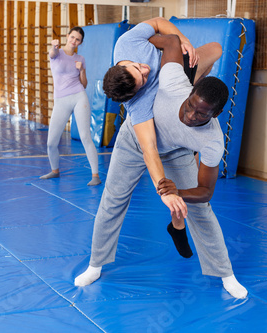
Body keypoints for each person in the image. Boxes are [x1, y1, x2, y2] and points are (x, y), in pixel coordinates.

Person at [74, 34, 248, 299]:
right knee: (113, 200)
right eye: (191, 106)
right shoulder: (172, 80)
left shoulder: (212, 140)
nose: (191, 116)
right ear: (190, 91)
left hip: (175, 152)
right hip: (135, 140)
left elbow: (205, 191)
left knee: (202, 211)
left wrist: (178, 192)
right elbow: (169, 41)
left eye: (201, 114)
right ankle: (95, 264)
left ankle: (225, 273)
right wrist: (184, 42)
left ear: (216, 115)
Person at [102, 17, 222, 245]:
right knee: (176, 192)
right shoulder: (138, 105)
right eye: (143, 80)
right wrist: (163, 190)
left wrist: (183, 41)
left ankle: (176, 226)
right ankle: (177, 226)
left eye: (139, 68)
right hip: (171, 116)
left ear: (122, 64)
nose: (146, 70)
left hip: (178, 70)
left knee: (216, 48)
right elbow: (150, 149)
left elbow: (158, 22)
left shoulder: (125, 43)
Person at [39, 27, 101, 186]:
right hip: (61, 100)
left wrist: (81, 70)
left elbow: (84, 84)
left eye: (78, 39)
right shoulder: (56, 53)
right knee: (51, 142)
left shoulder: (80, 58)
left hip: (79, 96)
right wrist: (53, 46)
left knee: (85, 137)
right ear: (67, 36)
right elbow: (52, 54)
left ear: (81, 42)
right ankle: (55, 171)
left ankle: (95, 175)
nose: (74, 41)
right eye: (72, 37)